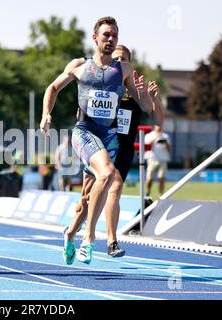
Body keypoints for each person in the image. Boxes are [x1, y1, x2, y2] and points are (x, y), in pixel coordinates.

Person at [40, 16, 154, 265]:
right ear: (95, 37)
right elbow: (52, 88)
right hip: (85, 132)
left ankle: (70, 233)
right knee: (108, 175)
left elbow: (145, 106)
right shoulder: (80, 65)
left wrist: (145, 96)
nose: (111, 39)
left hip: (109, 138)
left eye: (115, 35)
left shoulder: (123, 70)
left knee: (86, 198)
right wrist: (46, 114)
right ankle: (89, 239)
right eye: (106, 35)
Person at [66, 45, 165, 260]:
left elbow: (157, 120)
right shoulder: (102, 87)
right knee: (86, 200)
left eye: (122, 60)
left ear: (128, 65)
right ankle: (71, 232)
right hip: (97, 145)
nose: (117, 64)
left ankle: (111, 241)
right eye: (115, 59)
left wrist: (153, 97)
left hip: (121, 151)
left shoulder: (136, 92)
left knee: (115, 183)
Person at [145, 125, 171, 196]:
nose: (159, 127)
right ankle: (148, 191)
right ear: (154, 126)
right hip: (152, 159)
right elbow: (145, 147)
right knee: (149, 178)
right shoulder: (149, 135)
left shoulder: (165, 136)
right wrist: (153, 141)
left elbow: (169, 149)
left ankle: (161, 194)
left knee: (161, 178)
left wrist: (165, 143)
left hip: (163, 159)